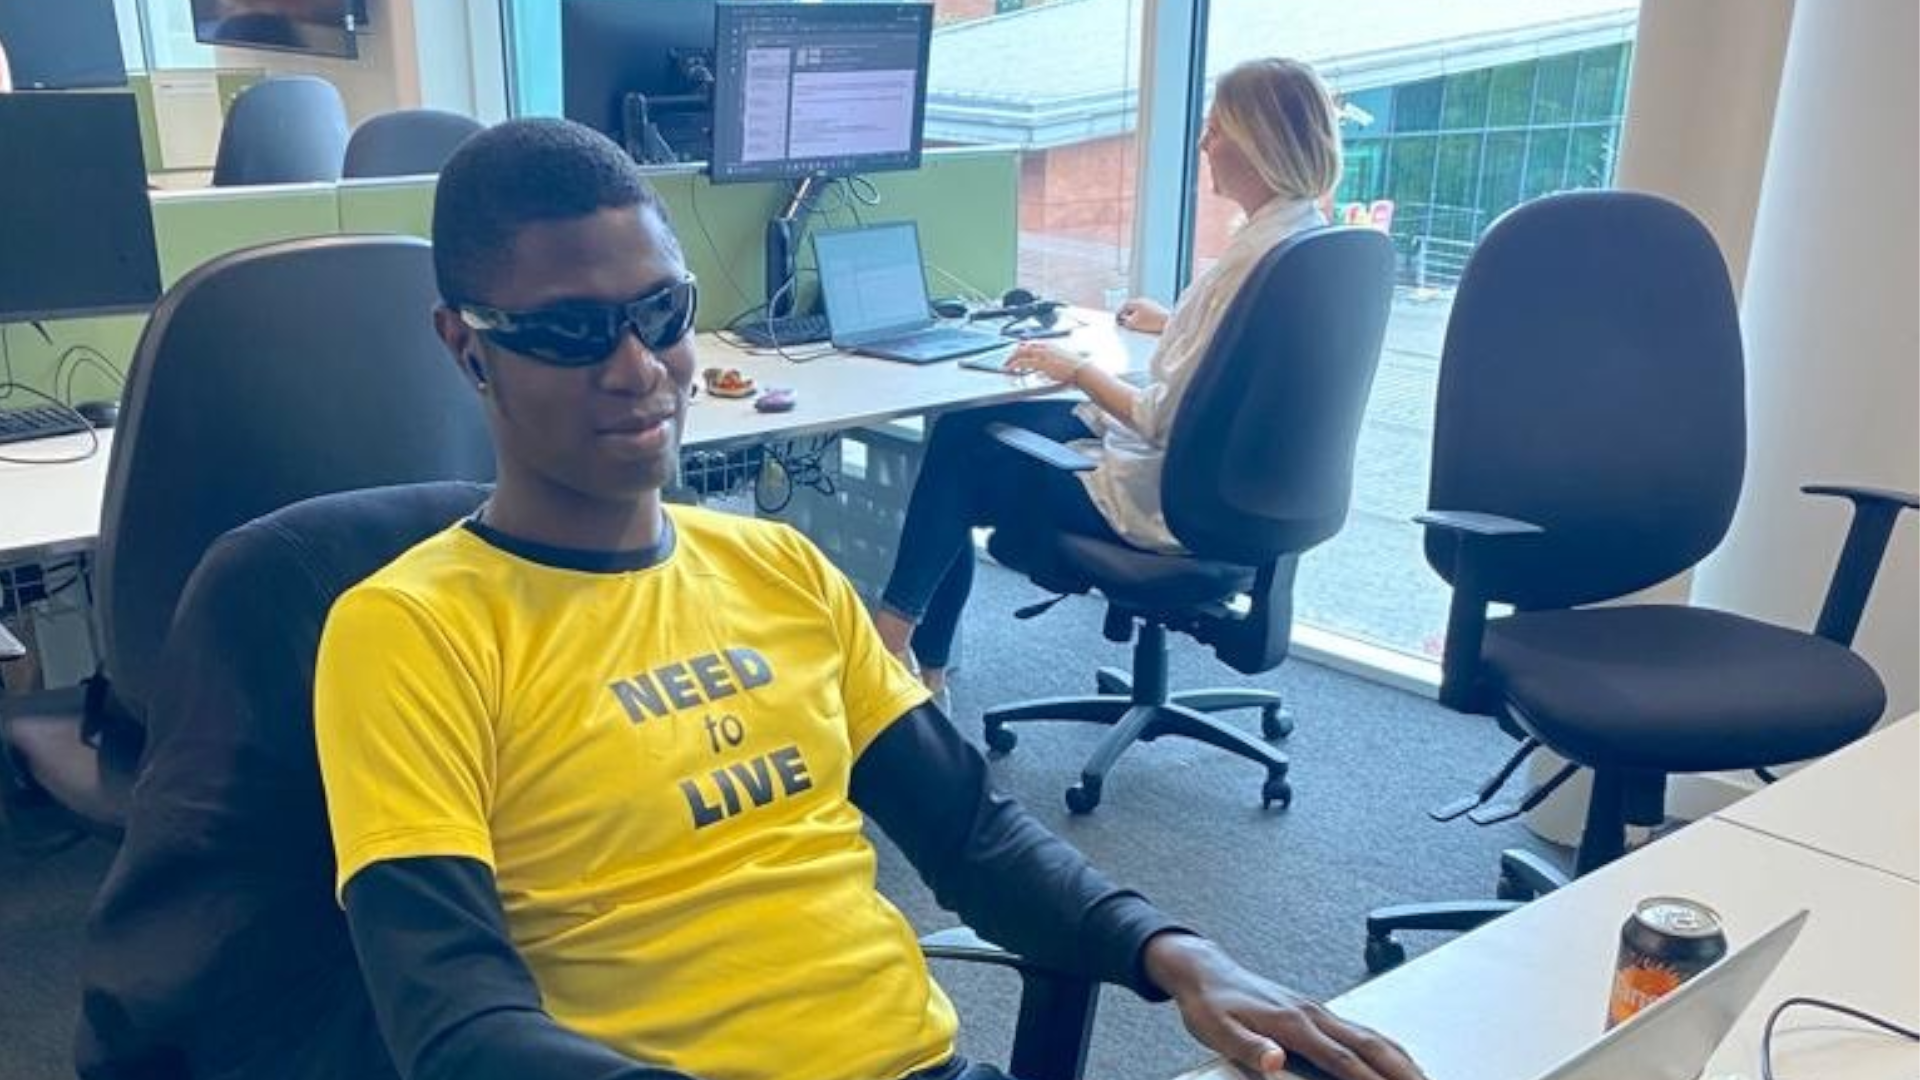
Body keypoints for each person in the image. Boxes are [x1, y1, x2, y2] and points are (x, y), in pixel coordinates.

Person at [311, 117, 1424, 1080]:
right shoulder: (409, 632)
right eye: (569, 331)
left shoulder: (777, 570)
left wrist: (1178, 952)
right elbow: (455, 1025)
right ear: (466, 346)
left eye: (662, 311)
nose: (639, 368)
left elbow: (972, 836)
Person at [871, 58, 1341, 697]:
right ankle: (924, 662)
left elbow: (1159, 416)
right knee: (969, 429)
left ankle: (896, 649)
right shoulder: (1301, 241)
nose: (1204, 143)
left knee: (960, 449)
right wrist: (1175, 323)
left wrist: (1077, 369)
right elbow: (1244, 362)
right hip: (1230, 494)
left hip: (1170, 498)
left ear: (1259, 143)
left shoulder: (1253, 260)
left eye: (1217, 129)